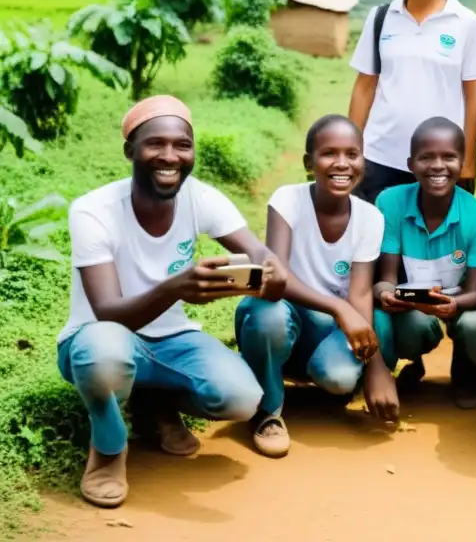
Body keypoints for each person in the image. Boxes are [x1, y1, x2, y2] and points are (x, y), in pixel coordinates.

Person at [58, 95, 289, 508]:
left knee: (240, 398)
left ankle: (155, 406)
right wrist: (176, 288)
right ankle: (108, 449)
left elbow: (258, 252)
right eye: (155, 144)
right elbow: (108, 311)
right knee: (103, 354)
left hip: (174, 339)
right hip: (102, 337)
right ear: (131, 150)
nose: (171, 156)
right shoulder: (93, 211)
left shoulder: (200, 198)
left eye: (182, 145)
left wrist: (269, 271)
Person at [235, 115, 396, 459]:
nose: (342, 164)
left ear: (363, 161)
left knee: (338, 378)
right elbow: (276, 274)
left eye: (352, 154)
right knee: (266, 314)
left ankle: (297, 374)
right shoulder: (287, 200)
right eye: (329, 154)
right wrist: (339, 308)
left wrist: (376, 368)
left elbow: (361, 293)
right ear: (309, 164)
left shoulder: (370, 217)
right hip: (287, 311)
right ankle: (268, 410)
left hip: (326, 328)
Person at [348, 0, 476, 203]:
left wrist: (467, 161)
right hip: (379, 158)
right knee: (376, 246)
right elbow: (365, 87)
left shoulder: (467, 23)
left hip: (440, 163)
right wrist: (351, 150)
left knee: (432, 247)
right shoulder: (379, 18)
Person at [373, 117, 476, 410]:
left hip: (460, 301)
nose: (438, 166)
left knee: (473, 325)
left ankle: (470, 373)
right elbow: (386, 277)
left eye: (449, 157)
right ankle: (412, 362)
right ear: (410, 164)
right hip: (413, 306)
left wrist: (453, 305)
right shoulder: (390, 202)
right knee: (412, 327)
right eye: (426, 157)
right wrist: (384, 293)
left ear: (463, 162)